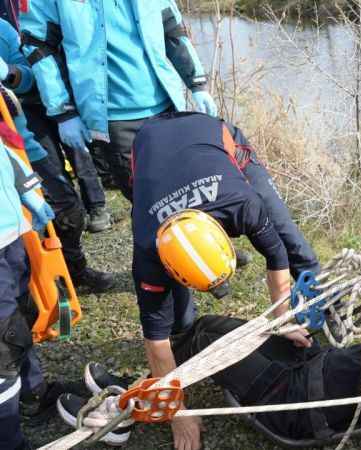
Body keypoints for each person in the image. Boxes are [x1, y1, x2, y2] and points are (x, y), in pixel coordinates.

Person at [58, 295, 361, 444]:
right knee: (212, 323)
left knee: (210, 338)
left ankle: (127, 406)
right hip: (312, 362)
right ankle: (158, 380)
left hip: (293, 402)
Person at [112, 111, 319, 449]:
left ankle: (323, 300)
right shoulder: (148, 251)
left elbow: (277, 256)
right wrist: (178, 415)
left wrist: (282, 319)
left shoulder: (245, 205)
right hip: (148, 146)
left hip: (208, 135)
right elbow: (157, 342)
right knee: (176, 325)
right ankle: (188, 327)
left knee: (287, 235)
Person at [19, 0, 217, 202]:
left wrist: (196, 82)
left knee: (188, 191)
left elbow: (172, 28)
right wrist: (63, 112)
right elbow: (38, 45)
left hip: (168, 107)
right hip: (114, 122)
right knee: (149, 202)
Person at [0, 18, 113, 292]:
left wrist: (9, 73)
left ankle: (72, 272)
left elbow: (30, 78)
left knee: (66, 209)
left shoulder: (4, 31)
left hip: (22, 141)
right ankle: (27, 294)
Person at [0, 111, 55, 450]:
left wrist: (29, 190)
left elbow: (5, 147)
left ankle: (33, 393)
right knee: (3, 342)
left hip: (10, 230)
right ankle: (9, 438)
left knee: (22, 317)